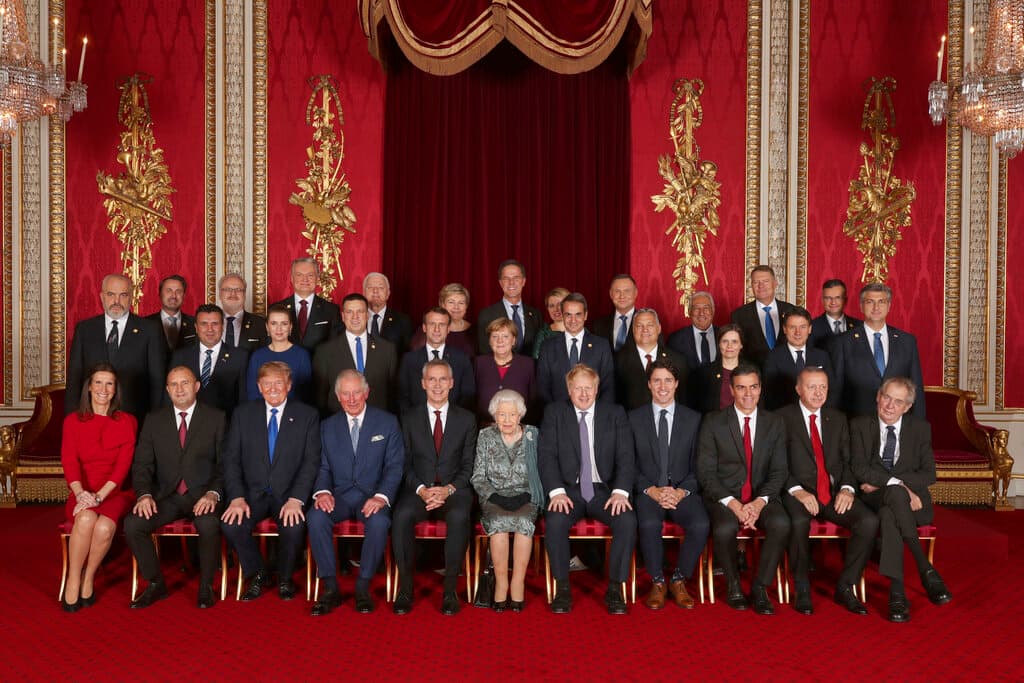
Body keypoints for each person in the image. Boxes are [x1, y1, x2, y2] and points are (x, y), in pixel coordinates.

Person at [849, 377, 950, 623]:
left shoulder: (919, 428)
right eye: (886, 398)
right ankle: (925, 568)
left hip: (912, 505)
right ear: (877, 397)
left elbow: (929, 474)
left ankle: (897, 590)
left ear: (907, 407)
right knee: (893, 496)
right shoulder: (860, 425)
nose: (890, 406)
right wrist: (899, 485)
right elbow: (859, 468)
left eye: (898, 402)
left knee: (889, 513)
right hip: (873, 497)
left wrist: (896, 485)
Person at [126, 366, 226, 609]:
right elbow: (142, 464)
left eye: (185, 383)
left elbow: (226, 465)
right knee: (133, 523)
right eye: (174, 385)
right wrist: (144, 495)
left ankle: (205, 587)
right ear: (168, 390)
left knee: (209, 524)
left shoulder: (216, 417)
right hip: (167, 496)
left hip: (203, 495)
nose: (179, 389)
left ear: (196, 386)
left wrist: (213, 493)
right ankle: (155, 583)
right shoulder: (154, 420)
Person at [779, 367, 876, 616]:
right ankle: (801, 586)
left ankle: (845, 586)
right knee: (798, 521)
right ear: (798, 389)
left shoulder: (838, 418)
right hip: (798, 492)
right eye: (812, 387)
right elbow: (774, 464)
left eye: (823, 387)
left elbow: (847, 462)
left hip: (832, 493)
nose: (818, 392)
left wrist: (846, 489)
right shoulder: (781, 418)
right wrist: (797, 491)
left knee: (868, 521)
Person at [539, 364, 636, 615]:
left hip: (604, 491)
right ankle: (562, 588)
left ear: (597, 388)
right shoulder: (555, 413)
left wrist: (621, 492)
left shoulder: (614, 413)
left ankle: (615, 588)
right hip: (568, 490)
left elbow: (626, 456)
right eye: (578, 388)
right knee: (556, 521)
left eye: (588, 388)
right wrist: (556, 491)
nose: (584, 394)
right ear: (569, 390)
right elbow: (546, 456)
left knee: (626, 520)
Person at [221, 361, 320, 602]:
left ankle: (285, 578)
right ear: (259, 386)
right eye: (267, 383)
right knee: (231, 524)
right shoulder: (243, 414)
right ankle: (258, 574)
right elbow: (230, 459)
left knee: (294, 525)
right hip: (252, 494)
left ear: (289, 385)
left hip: (288, 494)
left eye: (279, 383)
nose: (273, 388)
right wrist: (236, 497)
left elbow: (311, 462)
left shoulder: (307, 415)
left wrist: (297, 499)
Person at [696, 364, 790, 615]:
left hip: (762, 496)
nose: (748, 394)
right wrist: (734, 504)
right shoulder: (713, 421)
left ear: (760, 389)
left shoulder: (775, 422)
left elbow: (780, 471)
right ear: (731, 390)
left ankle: (760, 587)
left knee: (781, 524)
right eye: (741, 387)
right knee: (725, 527)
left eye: (753, 387)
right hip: (725, 497)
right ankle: (734, 585)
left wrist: (758, 503)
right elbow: (706, 472)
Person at [308, 370, 404, 615]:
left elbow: (394, 466)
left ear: (366, 392)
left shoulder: (387, 422)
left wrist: (381, 497)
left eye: (357, 393)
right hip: (338, 496)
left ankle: (363, 587)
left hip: (372, 496)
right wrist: (321, 492)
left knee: (380, 522)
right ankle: (331, 588)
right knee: (316, 517)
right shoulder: (327, 426)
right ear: (338, 396)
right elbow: (322, 466)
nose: (352, 399)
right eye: (346, 394)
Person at [393, 360, 478, 616]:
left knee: (459, 516)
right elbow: (403, 463)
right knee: (401, 516)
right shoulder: (408, 418)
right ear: (423, 383)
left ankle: (450, 590)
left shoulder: (466, 419)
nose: (437, 385)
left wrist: (448, 489)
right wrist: (421, 489)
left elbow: (469, 465)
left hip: (454, 490)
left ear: (451, 383)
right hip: (418, 489)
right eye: (432, 379)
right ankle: (405, 589)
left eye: (443, 379)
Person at [631, 360, 709, 610]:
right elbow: (627, 463)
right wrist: (651, 490)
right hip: (648, 491)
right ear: (648, 384)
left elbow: (700, 464)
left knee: (700, 523)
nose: (662, 386)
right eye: (656, 380)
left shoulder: (694, 419)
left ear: (676, 384)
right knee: (649, 523)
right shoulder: (633, 418)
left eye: (667, 380)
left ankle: (677, 580)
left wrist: (680, 491)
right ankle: (657, 582)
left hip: (682, 491)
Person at [59, 363, 138, 611]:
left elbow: (122, 467)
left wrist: (100, 496)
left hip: (115, 492)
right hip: (81, 490)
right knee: (84, 521)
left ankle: (89, 576)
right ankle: (73, 577)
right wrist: (82, 493)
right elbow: (69, 460)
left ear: (115, 390)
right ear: (89, 387)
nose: (104, 389)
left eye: (109, 383)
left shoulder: (127, 421)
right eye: (99, 383)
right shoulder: (73, 421)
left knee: (104, 526)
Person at [472, 389, 543, 612]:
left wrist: (527, 495)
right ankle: (501, 584)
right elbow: (478, 476)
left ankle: (518, 583)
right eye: (502, 415)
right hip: (493, 497)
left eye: (512, 415)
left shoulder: (534, 435)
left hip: (527, 496)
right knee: (499, 524)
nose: (507, 420)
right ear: (495, 416)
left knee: (523, 524)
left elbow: (543, 473)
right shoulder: (485, 436)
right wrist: (494, 496)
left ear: (520, 415)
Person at [66, 273, 166, 420]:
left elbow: (157, 382)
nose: (116, 301)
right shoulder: (85, 329)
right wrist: (72, 420)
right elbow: (74, 379)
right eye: (111, 294)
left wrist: (155, 423)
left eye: (123, 295)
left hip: (136, 419)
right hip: (90, 418)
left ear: (131, 297)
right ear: (102, 296)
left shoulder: (150, 330)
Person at [830, 283, 925, 418]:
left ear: (889, 306)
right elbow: (836, 391)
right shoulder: (843, 342)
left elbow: (916, 390)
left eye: (881, 302)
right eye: (870, 302)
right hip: (856, 424)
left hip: (898, 424)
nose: (876, 307)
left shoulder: (907, 342)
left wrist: (919, 428)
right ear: (861, 306)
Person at [312, 293, 398, 414]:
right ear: (342, 316)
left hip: (378, 422)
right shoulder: (324, 351)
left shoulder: (387, 349)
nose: (355, 317)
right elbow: (320, 398)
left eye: (360, 312)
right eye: (349, 312)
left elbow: (393, 395)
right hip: (339, 423)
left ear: (367, 315)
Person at [170, 304, 248, 419]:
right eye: (204, 324)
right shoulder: (180, 356)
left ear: (223, 326)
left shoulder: (240, 357)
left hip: (226, 427)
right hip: (188, 426)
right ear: (196, 327)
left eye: (215, 324)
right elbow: (170, 396)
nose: (210, 329)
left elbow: (244, 399)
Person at [536, 293, 615, 405]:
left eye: (578, 314)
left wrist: (599, 416)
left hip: (594, 416)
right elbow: (543, 387)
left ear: (585, 315)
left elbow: (608, 386)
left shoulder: (601, 345)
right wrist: (555, 414)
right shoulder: (547, 347)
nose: (573, 320)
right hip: (558, 416)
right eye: (568, 315)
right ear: (562, 316)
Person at [397, 307, 475, 414]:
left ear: (448, 329)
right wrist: (411, 421)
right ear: (424, 328)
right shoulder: (409, 360)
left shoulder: (462, 359)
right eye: (432, 324)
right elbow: (402, 396)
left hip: (454, 424)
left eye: (442, 325)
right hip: (416, 424)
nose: (437, 329)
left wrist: (452, 419)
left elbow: (468, 395)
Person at [761, 306, 834, 411]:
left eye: (803, 327)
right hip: (784, 416)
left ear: (810, 329)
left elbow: (832, 389)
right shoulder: (772, 357)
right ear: (784, 329)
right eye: (792, 327)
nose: (798, 332)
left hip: (817, 414)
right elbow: (769, 394)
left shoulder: (822, 356)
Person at [615, 308, 688, 410]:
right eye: (639, 326)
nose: (645, 330)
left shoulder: (678, 360)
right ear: (633, 330)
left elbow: (684, 401)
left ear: (659, 328)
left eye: (650, 325)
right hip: (630, 423)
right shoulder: (617, 360)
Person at [269, 257, 341, 352]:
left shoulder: (331, 310)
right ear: (292, 278)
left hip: (319, 365)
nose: (305, 279)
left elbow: (335, 346)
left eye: (310, 275)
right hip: (285, 365)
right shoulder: (276, 308)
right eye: (299, 275)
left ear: (317, 278)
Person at [245, 303, 313, 402]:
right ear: (267, 327)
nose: (279, 328)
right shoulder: (257, 356)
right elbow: (252, 393)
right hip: (262, 413)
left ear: (290, 327)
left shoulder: (302, 355)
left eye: (284, 324)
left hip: (294, 413)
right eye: (274, 323)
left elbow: (305, 394)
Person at [729, 265, 795, 367]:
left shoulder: (791, 310)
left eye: (766, 281)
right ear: (751, 285)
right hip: (753, 378)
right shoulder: (739, 315)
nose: (761, 286)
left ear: (775, 283)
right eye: (756, 282)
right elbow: (737, 351)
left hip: (788, 376)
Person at [474, 318, 536, 423]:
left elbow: (534, 400)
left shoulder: (528, 364)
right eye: (495, 336)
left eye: (505, 336)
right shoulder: (479, 363)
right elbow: (472, 398)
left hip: (519, 427)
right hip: (484, 426)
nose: (500, 341)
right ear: (489, 340)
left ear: (514, 340)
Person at [476, 260, 543, 355]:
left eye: (516, 278)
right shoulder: (486, 314)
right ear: (500, 283)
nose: (511, 282)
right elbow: (485, 351)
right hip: (498, 369)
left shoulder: (536, 314)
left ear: (523, 281)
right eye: (506, 278)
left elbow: (539, 349)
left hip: (530, 369)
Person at [410, 283, 477, 357]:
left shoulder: (475, 331)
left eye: (461, 303)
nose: (456, 307)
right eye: (451, 302)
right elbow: (416, 357)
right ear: (442, 304)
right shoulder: (428, 329)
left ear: (466, 306)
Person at [691, 323, 745, 414]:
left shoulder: (753, 371)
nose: (729, 346)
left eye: (734, 342)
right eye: (725, 341)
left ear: (741, 345)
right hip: (715, 426)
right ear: (719, 344)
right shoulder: (704, 373)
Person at [363, 272, 413, 354]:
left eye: (381, 287)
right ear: (364, 293)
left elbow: (406, 353)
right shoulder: (355, 318)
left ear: (388, 293)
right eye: (370, 287)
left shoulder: (402, 320)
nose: (375, 291)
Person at [145, 274, 195, 355]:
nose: (174, 296)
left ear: (184, 296)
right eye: (169, 291)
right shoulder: (145, 324)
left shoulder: (195, 324)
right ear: (160, 294)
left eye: (178, 291)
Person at [667, 291, 718, 371]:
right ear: (689, 312)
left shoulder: (724, 335)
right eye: (696, 308)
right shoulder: (676, 339)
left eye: (706, 308)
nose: (701, 313)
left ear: (713, 311)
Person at [217, 273, 268, 352]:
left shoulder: (261, 324)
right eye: (227, 289)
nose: (233, 294)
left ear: (244, 294)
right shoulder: (208, 324)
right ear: (220, 294)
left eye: (238, 290)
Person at [590, 274, 638, 352]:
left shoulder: (648, 322)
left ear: (635, 293)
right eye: (617, 291)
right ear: (611, 294)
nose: (622, 296)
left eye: (627, 291)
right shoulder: (598, 325)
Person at [809, 278, 861, 350]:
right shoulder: (811, 327)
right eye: (828, 298)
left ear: (845, 300)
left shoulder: (859, 326)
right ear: (822, 301)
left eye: (837, 298)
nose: (833, 302)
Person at [532, 287, 570, 360]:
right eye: (552, 306)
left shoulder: (581, 331)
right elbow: (537, 362)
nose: (556, 309)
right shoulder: (543, 334)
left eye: (560, 304)